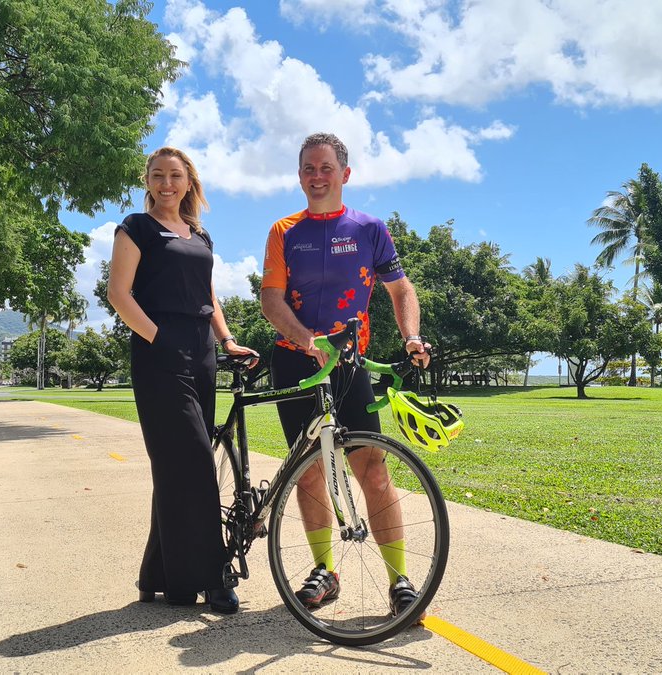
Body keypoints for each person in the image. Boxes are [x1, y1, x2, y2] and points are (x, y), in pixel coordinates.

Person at [260, 132, 431, 617]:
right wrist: (306, 340)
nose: (317, 177)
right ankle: (324, 571)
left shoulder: (369, 228)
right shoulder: (283, 231)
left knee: (372, 470)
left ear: (345, 174)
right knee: (310, 471)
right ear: (299, 176)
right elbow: (271, 299)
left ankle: (400, 580)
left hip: (349, 361)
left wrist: (412, 337)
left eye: (326, 168)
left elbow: (401, 290)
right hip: (295, 361)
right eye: (308, 169)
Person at [107, 146, 258, 614]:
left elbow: (207, 294)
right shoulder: (136, 228)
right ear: (148, 182)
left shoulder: (200, 234)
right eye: (158, 175)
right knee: (193, 461)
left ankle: (159, 575)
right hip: (159, 351)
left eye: (175, 175)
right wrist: (158, 338)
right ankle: (212, 576)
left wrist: (227, 340)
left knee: (179, 466)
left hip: (203, 351)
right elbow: (119, 294)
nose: (166, 184)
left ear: (189, 181)